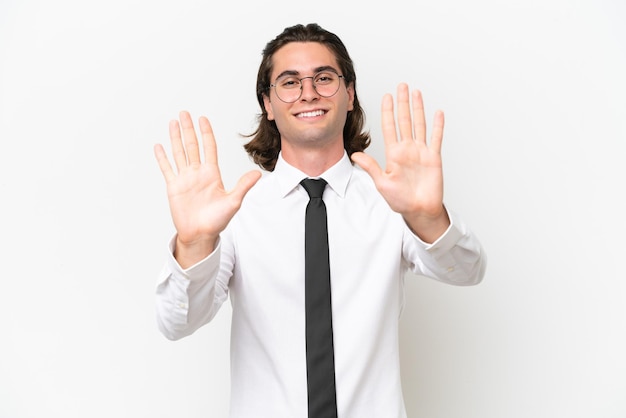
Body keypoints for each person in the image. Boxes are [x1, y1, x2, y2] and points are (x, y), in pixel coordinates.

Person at [154, 23, 486, 418]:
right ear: (268, 104)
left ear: (349, 95)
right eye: (289, 82)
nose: (308, 92)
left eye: (324, 78)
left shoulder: (391, 200)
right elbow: (177, 322)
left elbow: (467, 271)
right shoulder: (235, 211)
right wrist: (194, 244)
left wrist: (428, 217)